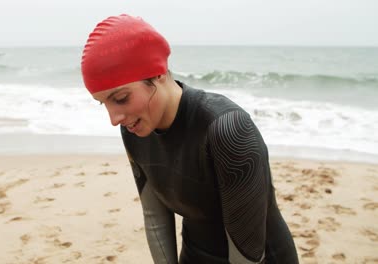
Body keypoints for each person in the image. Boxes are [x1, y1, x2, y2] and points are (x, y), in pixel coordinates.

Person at [80, 14, 299, 264]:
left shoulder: (227, 128)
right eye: (103, 103)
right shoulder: (135, 127)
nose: (114, 118)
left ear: (158, 74)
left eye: (120, 99)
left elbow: (247, 252)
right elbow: (155, 217)